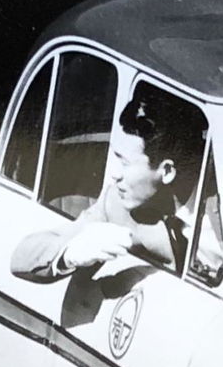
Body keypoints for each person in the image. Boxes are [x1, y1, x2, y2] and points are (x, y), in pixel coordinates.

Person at [11, 90, 206, 282]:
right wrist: (69, 255)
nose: (114, 174)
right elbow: (23, 257)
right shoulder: (115, 205)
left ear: (167, 172)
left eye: (125, 163)